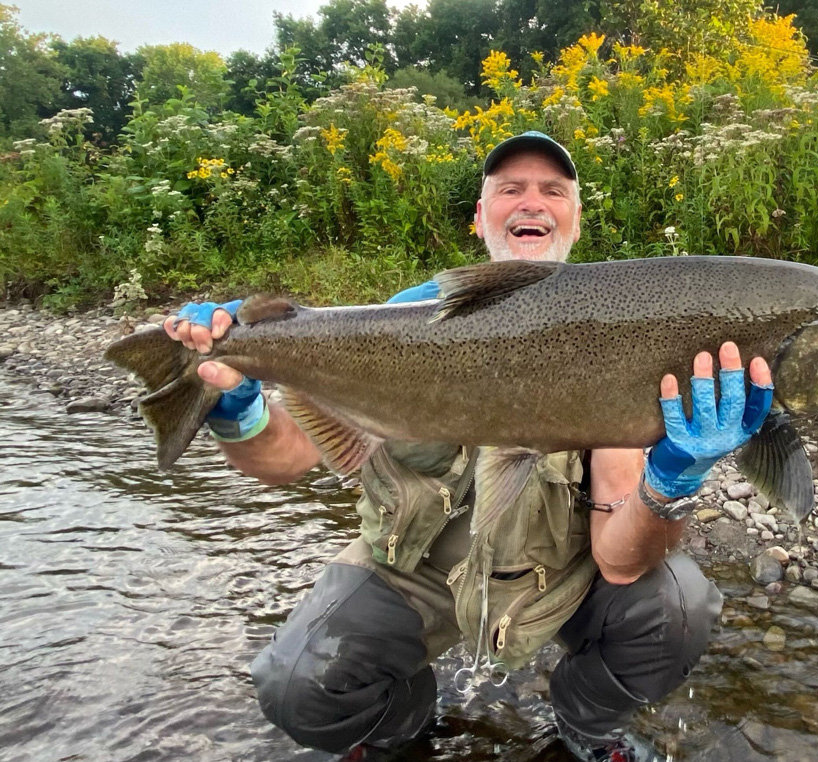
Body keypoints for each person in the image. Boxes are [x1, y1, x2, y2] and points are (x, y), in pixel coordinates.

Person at [164, 131, 774, 762]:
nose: (532, 202)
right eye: (510, 190)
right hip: (416, 569)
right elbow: (288, 459)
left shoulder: (623, 337)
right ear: (480, 217)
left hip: (556, 573)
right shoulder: (396, 321)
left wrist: (674, 477)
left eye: (552, 191)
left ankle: (585, 727)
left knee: (678, 606)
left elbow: (619, 561)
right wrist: (236, 402)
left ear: (576, 219)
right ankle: (399, 730)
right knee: (296, 684)